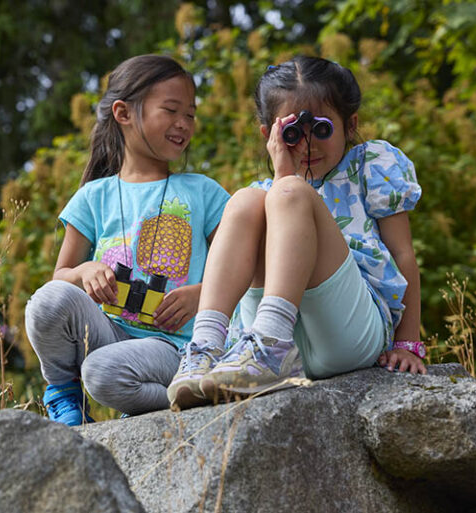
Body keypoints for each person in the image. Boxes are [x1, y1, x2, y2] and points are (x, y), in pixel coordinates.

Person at [167, 55, 425, 410]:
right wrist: (282, 176)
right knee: (245, 200)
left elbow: (403, 255)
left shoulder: (370, 165)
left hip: (350, 333)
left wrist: (407, 344)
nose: (307, 145)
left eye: (321, 129)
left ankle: (271, 345)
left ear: (350, 125)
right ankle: (206, 349)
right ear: (270, 135)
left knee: (288, 193)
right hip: (282, 346)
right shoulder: (265, 194)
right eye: (292, 133)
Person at [25, 54, 229, 425]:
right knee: (46, 302)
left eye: (191, 114)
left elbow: (245, 266)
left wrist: (202, 294)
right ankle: (63, 394)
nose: (183, 124)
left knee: (102, 373)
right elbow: (60, 277)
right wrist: (85, 270)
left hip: (176, 347)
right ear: (123, 113)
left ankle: (190, 390)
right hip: (108, 333)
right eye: (171, 110)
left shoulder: (204, 193)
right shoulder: (93, 197)